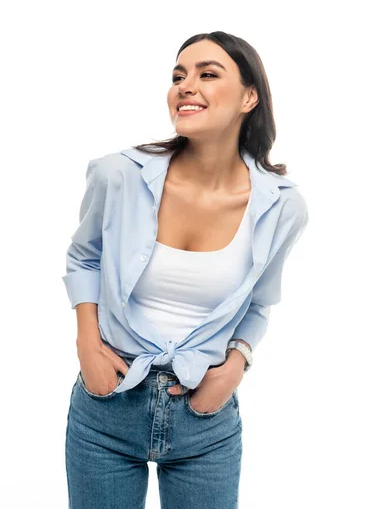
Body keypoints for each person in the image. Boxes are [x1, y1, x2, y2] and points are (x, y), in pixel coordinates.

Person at [63, 31, 309, 509]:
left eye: (207, 74)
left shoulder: (282, 207)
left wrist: (235, 365)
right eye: (178, 76)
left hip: (206, 421)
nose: (185, 85)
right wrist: (87, 344)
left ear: (249, 96)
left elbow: (259, 304)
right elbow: (83, 257)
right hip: (106, 409)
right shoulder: (119, 175)